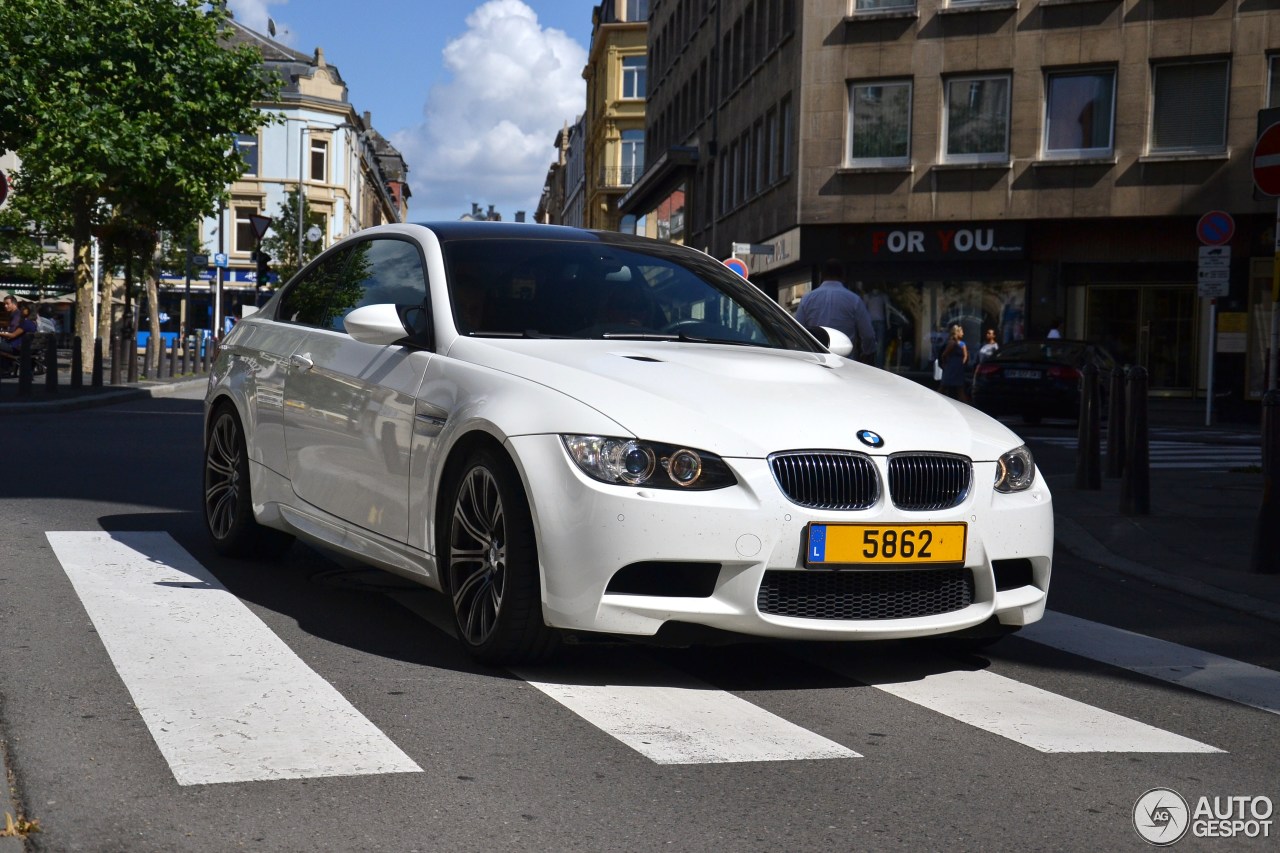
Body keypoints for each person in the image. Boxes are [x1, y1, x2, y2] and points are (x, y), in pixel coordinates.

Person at [792, 259, 877, 363]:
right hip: (845, 363)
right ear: (843, 276)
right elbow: (868, 335)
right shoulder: (854, 300)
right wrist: (867, 353)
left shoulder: (807, 299)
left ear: (822, 275)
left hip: (815, 361)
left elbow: (797, 331)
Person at [938, 323, 968, 401]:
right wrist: (945, 364)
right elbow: (944, 355)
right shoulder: (952, 343)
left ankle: (964, 406)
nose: (963, 334)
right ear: (957, 332)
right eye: (961, 332)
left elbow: (965, 356)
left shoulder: (960, 344)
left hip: (957, 369)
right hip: (951, 369)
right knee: (944, 387)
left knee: (959, 389)